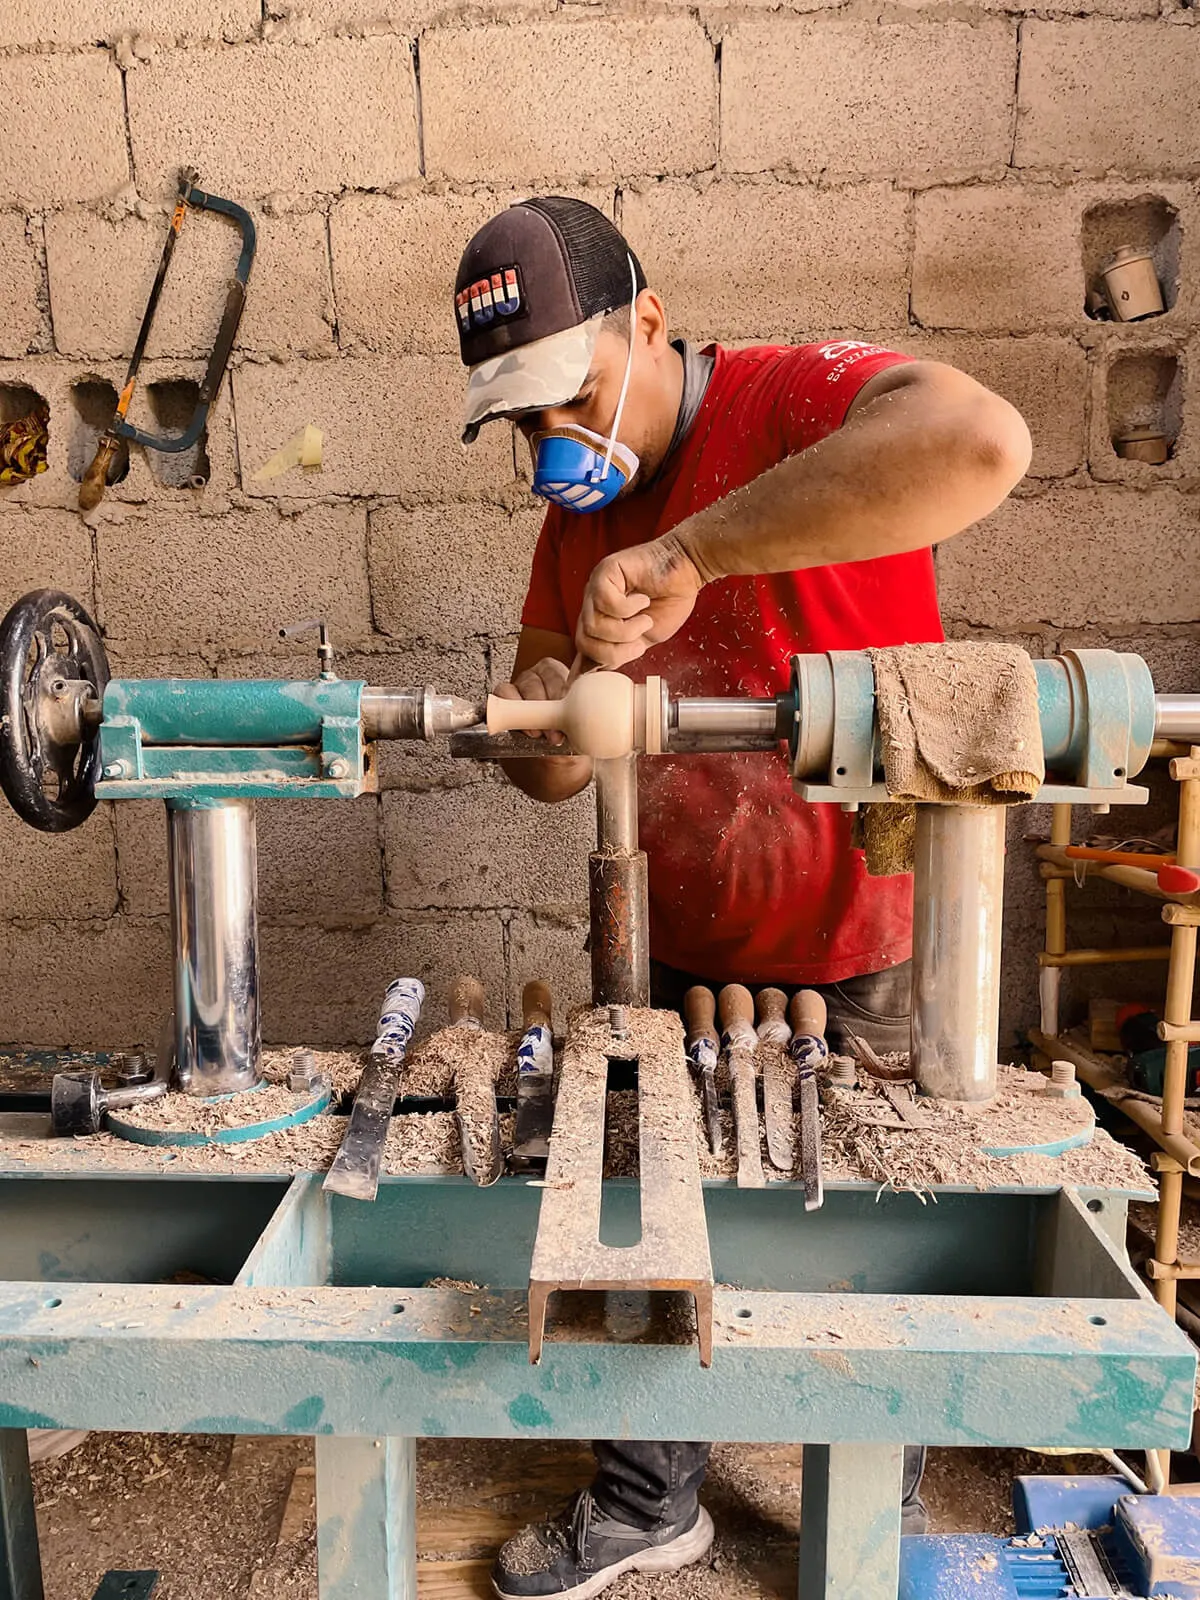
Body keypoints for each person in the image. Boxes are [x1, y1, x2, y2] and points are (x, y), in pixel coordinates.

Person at [454, 196, 1032, 1600]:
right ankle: (654, 1498)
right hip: (665, 938)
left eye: (568, 401)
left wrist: (695, 553)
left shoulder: (792, 401)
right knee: (650, 1226)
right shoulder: (568, 519)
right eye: (519, 426)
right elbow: (548, 765)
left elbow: (981, 443)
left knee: (865, 1246)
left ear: (646, 323)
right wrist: (541, 715)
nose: (551, 452)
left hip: (861, 933)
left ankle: (857, 1509)